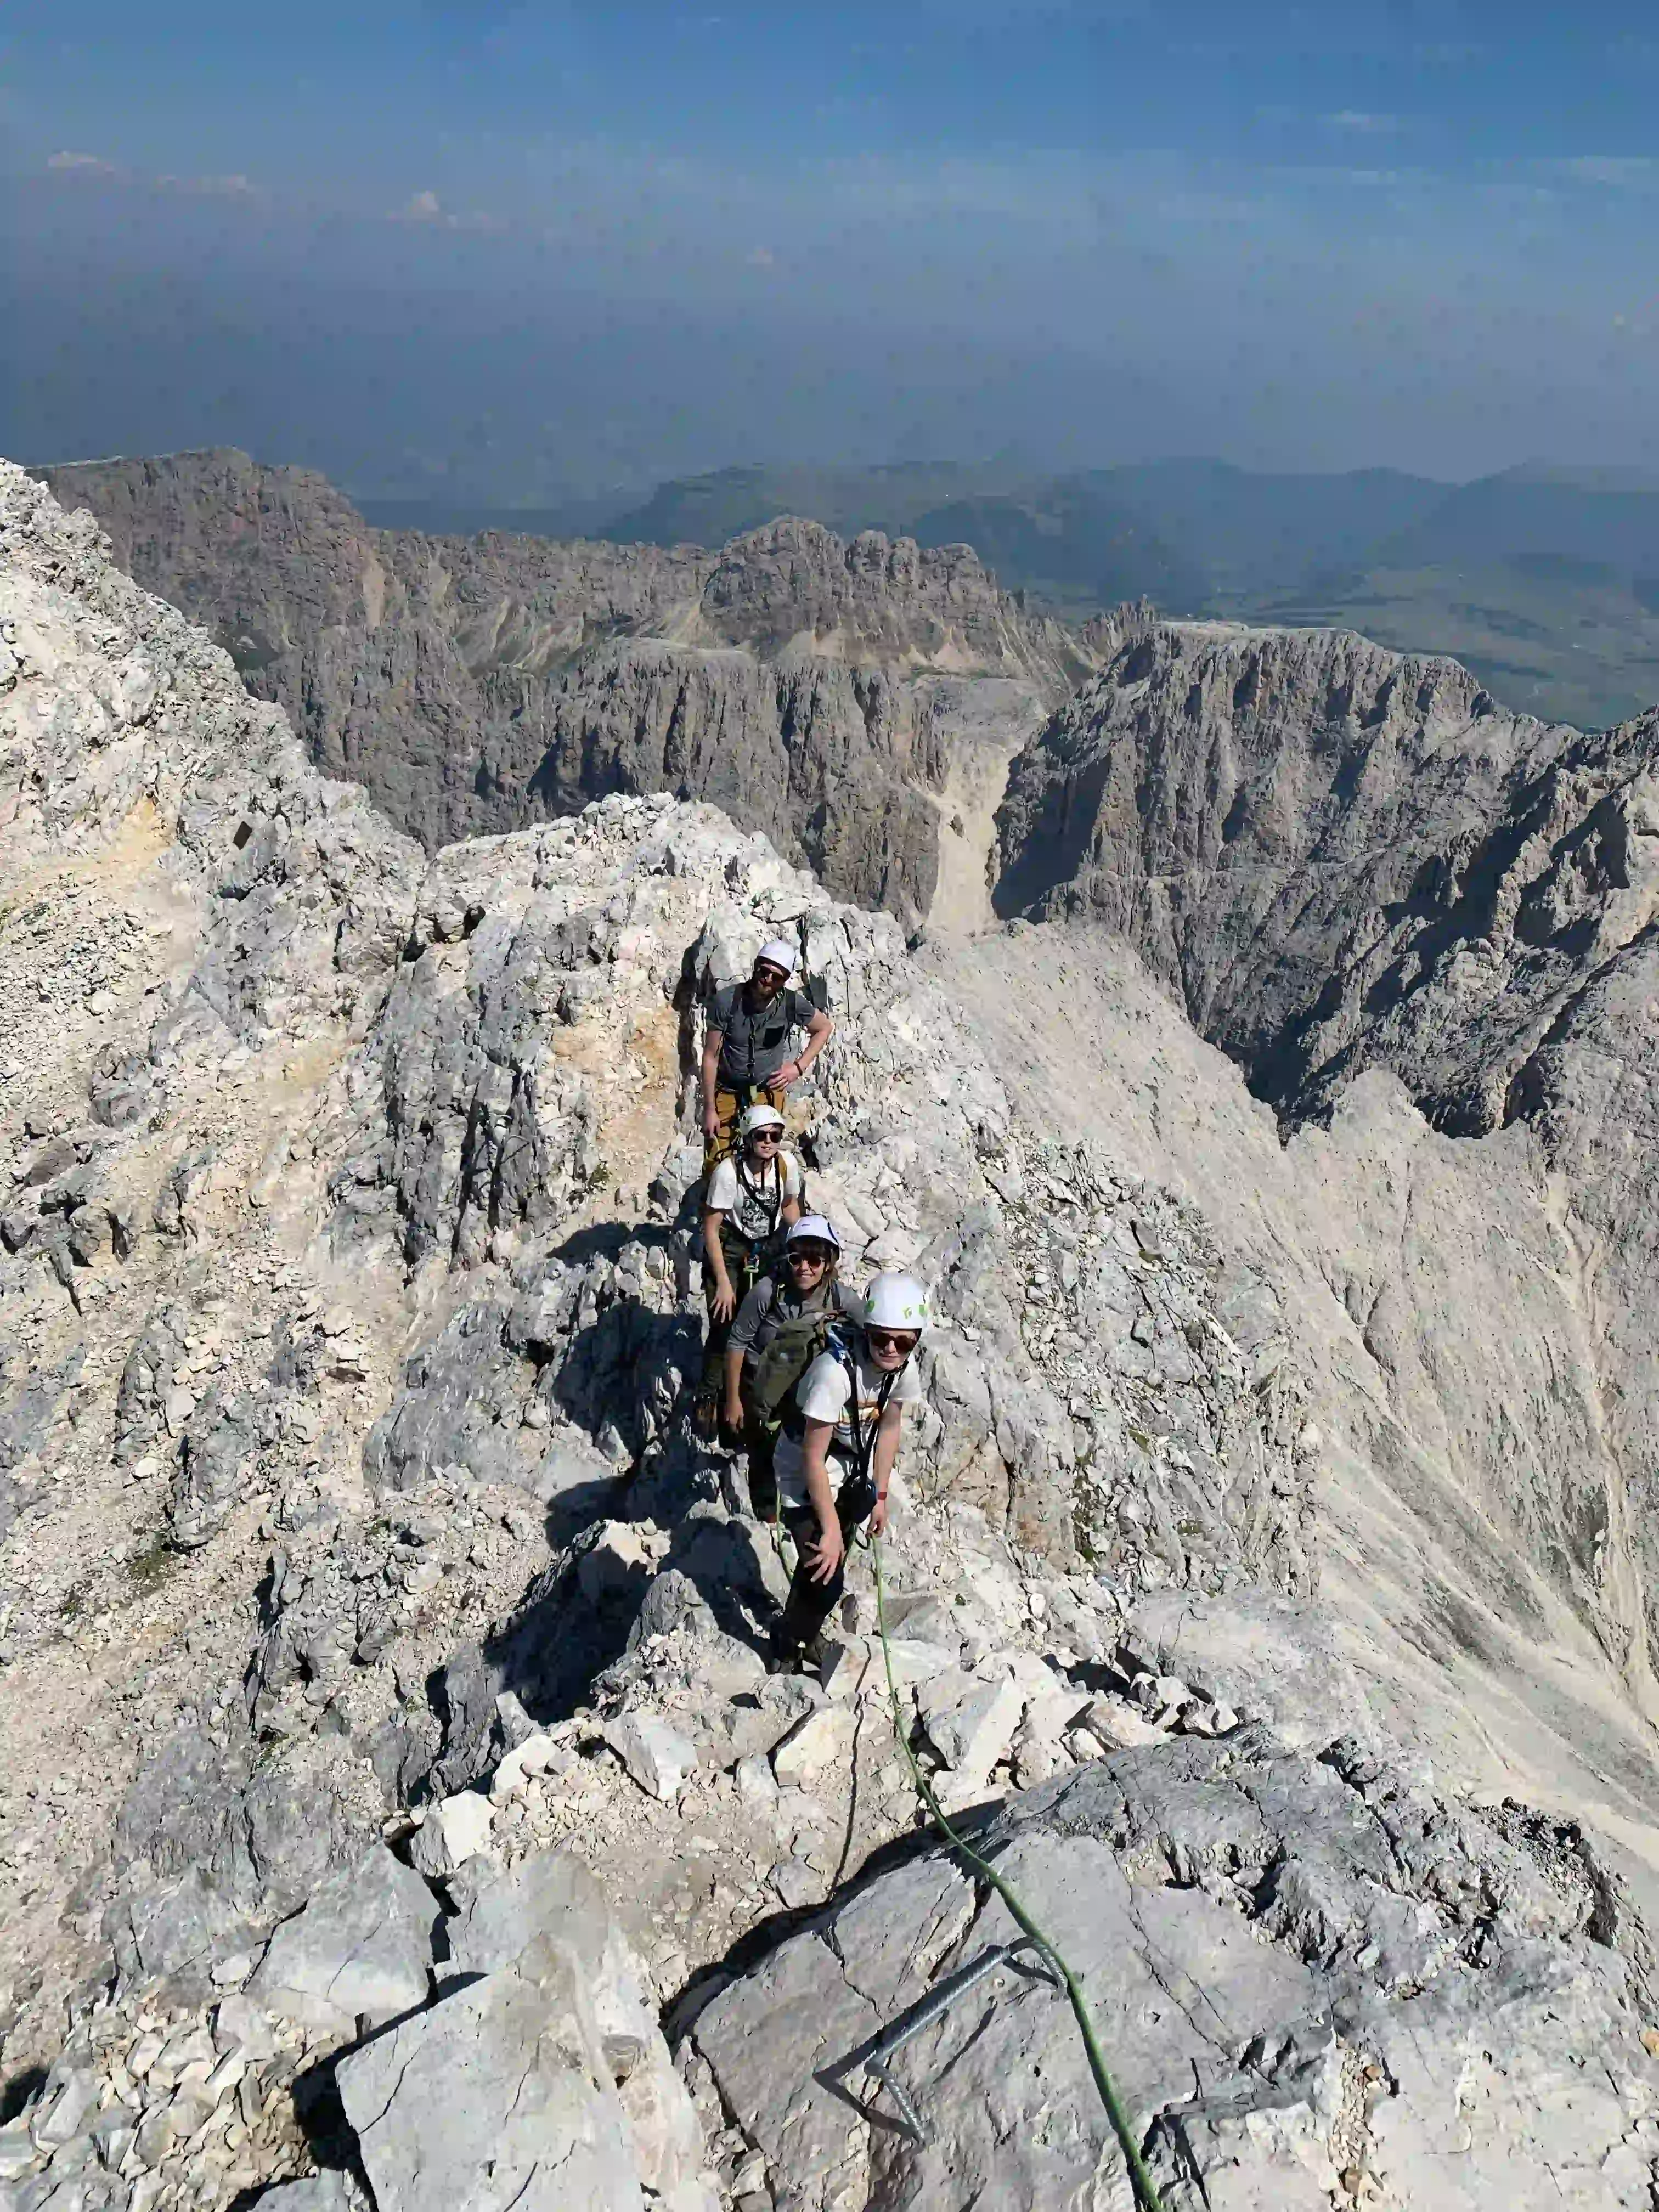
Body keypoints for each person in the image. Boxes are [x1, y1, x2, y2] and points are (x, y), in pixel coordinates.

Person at [768, 1271, 929, 1672]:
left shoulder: (901, 1370)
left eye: (904, 1342)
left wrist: (881, 1496)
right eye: (881, 1338)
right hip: (801, 1471)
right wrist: (830, 1529)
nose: (891, 1349)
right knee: (826, 1573)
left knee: (821, 1567)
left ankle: (801, 1634)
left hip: (845, 1468)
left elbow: (889, 1428)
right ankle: (787, 1642)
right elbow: (811, 1457)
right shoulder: (833, 1374)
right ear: (867, 1332)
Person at [724, 1214, 862, 1520]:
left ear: (828, 1264)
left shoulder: (840, 1298)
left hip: (806, 1394)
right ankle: (766, 1511)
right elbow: (737, 1343)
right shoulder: (767, 1292)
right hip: (762, 1387)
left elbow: (871, 1333)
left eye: (814, 1261)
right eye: (797, 1259)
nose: (804, 1268)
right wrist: (733, 1400)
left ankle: (801, 1506)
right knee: (763, 1451)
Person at [695, 1102, 803, 1437]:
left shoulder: (785, 1165)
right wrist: (724, 1282)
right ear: (748, 1137)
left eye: (775, 1136)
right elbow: (711, 1228)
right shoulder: (728, 1174)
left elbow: (789, 1208)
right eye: (761, 1136)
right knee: (725, 1322)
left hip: (768, 1245)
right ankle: (709, 1394)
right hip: (731, 1247)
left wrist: (806, 1246)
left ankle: (751, 1392)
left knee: (765, 1322)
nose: (769, 1142)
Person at [701, 939, 832, 1173]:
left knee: (763, 1157)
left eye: (777, 977)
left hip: (767, 1090)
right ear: (756, 966)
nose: (768, 979)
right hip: (727, 1090)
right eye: (764, 971)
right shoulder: (727, 1002)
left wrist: (798, 1067)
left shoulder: (790, 1004)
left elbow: (823, 1028)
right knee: (718, 1160)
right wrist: (710, 1109)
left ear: (785, 980)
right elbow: (711, 1056)